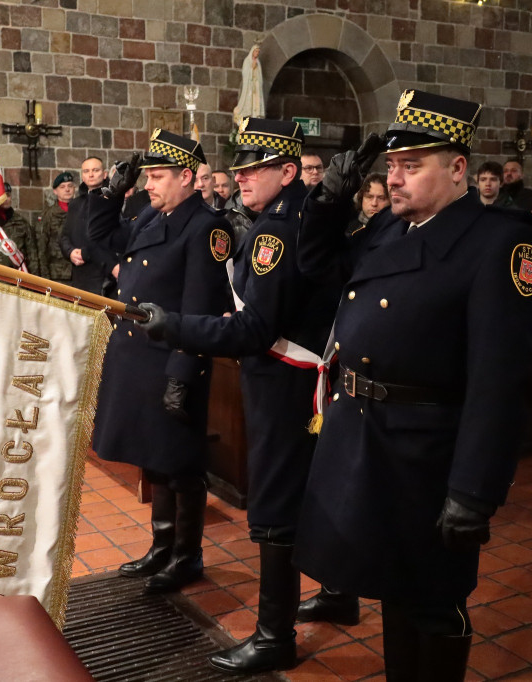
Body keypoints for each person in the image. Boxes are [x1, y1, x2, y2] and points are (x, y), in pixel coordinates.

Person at [294, 89, 532, 680]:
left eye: (412, 166)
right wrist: (329, 203)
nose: (396, 179)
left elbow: (502, 380)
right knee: (391, 586)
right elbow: (320, 267)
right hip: (368, 436)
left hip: (427, 453)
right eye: (392, 168)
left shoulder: (500, 243)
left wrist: (475, 490)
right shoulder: (391, 226)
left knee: (433, 600)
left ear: (458, 169)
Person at [137, 118, 343, 674]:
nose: (241, 177)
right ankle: (338, 593)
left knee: (276, 502)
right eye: (241, 167)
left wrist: (175, 327)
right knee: (310, 488)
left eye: (255, 168)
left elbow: (254, 330)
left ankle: (274, 635)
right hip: (303, 381)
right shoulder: (295, 213)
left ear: (288, 170)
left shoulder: (276, 231)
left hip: (281, 381)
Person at [86, 130, 233, 597]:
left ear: (187, 177)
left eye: (158, 176)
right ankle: (161, 545)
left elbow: (199, 310)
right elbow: (101, 239)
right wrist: (111, 193)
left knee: (180, 462)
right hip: (138, 356)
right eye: (147, 176)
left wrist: (182, 374)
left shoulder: (206, 227)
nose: (149, 184)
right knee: (155, 459)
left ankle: (187, 555)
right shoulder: (153, 214)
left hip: (171, 359)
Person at [59, 156, 117, 295]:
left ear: (104, 174)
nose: (90, 174)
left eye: (95, 170)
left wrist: (87, 253)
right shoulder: (75, 204)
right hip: (80, 274)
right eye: (86, 171)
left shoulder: (114, 200)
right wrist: (71, 252)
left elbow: (115, 237)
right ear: (82, 176)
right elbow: (64, 236)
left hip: (104, 274)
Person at [30, 171, 75, 283]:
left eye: (70, 186)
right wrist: (44, 279)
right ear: (55, 191)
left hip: (79, 273)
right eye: (62, 187)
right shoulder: (48, 215)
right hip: (57, 274)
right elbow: (41, 248)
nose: (67, 189)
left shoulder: (81, 211)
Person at [346, 172, 390, 237]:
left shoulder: (399, 230)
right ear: (361, 198)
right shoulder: (347, 229)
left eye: (381, 198)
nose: (374, 203)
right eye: (369, 197)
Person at [233, 42, 264, 125]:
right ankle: (248, 114)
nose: (257, 53)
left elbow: (260, 76)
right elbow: (245, 73)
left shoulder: (258, 62)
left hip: (256, 86)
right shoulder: (247, 61)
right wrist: (251, 69)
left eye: (258, 52)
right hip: (249, 86)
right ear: (252, 52)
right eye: (256, 51)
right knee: (248, 100)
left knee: (256, 101)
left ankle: (255, 115)